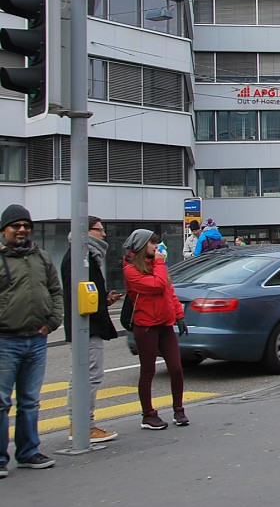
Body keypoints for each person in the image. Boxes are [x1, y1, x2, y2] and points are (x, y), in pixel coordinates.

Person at [0, 204, 63, 476]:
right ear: (4, 230)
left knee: (30, 400)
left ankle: (28, 452)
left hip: (37, 340)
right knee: (1, 402)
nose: (22, 230)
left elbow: (56, 291)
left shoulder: (42, 258)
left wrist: (52, 323)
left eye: (26, 225)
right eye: (16, 225)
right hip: (5, 341)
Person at [62, 216, 121, 443]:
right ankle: (82, 425)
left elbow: (85, 291)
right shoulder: (79, 258)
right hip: (85, 326)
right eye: (99, 230)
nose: (104, 235)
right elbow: (74, 295)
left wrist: (103, 300)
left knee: (83, 374)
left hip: (89, 323)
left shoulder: (88, 257)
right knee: (88, 375)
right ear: (85, 232)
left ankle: (79, 424)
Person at [123, 229, 188, 430]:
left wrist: (179, 316)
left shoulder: (157, 266)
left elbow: (169, 292)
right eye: (152, 244)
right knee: (148, 371)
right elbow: (158, 286)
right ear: (143, 247)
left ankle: (179, 408)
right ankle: (148, 415)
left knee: (176, 368)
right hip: (146, 327)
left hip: (165, 324)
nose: (156, 247)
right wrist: (160, 263)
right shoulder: (131, 270)